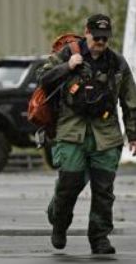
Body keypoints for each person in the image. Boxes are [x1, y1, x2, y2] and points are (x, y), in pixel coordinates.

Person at [36, 14, 136, 255]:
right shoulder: (68, 54)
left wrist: (133, 134)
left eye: (105, 38)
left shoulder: (117, 63)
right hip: (71, 131)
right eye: (96, 37)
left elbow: (130, 101)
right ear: (86, 32)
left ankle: (99, 237)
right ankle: (59, 222)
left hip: (106, 134)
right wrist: (67, 66)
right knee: (69, 184)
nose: (100, 42)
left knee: (104, 190)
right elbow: (42, 79)